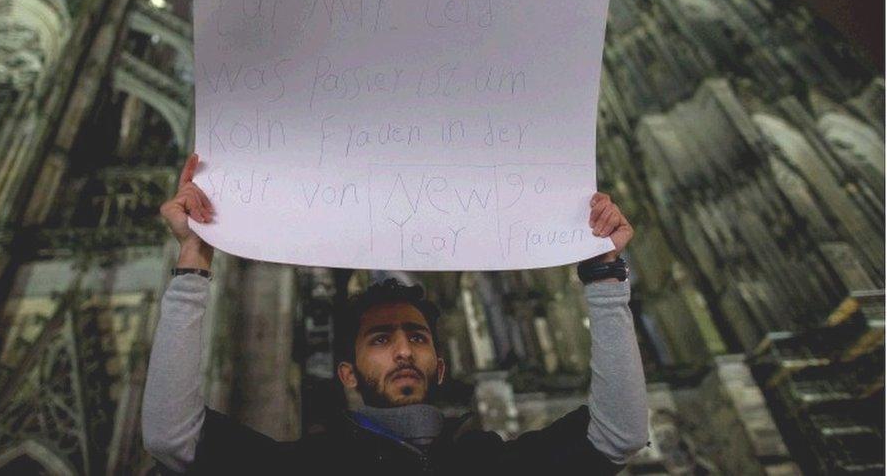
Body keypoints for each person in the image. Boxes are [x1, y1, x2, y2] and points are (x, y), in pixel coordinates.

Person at [142, 153, 649, 475]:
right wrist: (192, 263)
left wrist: (605, 275)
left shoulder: (489, 462)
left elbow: (618, 434)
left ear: (441, 365)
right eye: (380, 340)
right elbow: (173, 436)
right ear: (347, 372)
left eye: (418, 337)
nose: (404, 349)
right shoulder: (313, 465)